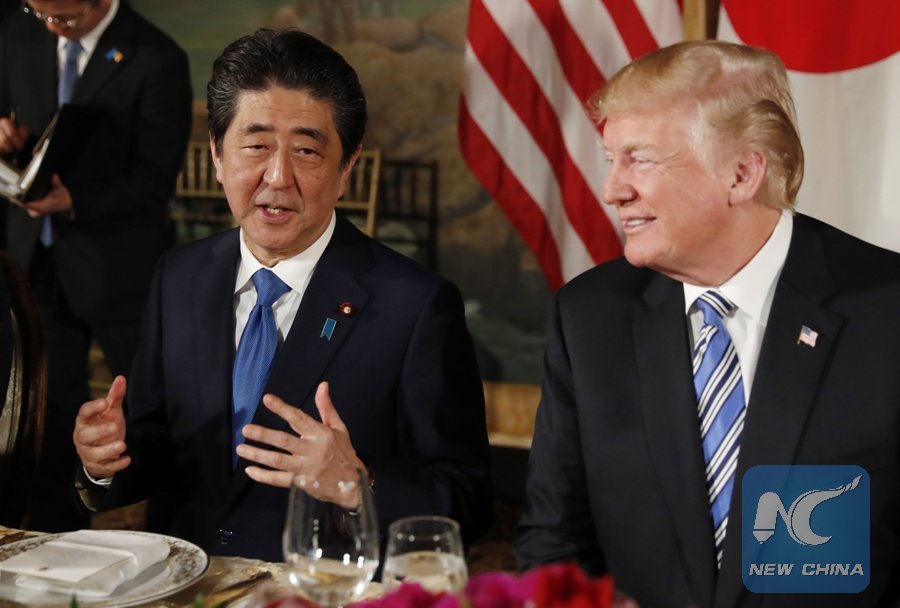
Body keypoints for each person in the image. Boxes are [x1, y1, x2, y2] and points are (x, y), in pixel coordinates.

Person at [73, 28, 492, 562]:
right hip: (187, 581)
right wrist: (105, 459)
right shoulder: (179, 275)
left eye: (306, 151)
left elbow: (468, 499)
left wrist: (355, 483)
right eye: (256, 146)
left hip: (321, 587)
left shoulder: (415, 306)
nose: (278, 176)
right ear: (217, 156)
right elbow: (158, 441)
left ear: (346, 169)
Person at [515, 40, 900, 607]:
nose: (613, 190)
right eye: (611, 159)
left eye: (641, 159)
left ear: (741, 173)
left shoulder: (886, 310)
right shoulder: (589, 317)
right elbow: (554, 543)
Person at [0, 0, 192, 531]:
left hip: (121, 269)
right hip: (36, 259)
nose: (53, 28)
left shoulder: (157, 57)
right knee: (50, 415)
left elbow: (155, 179)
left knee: (150, 410)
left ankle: (172, 535)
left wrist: (75, 201)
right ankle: (57, 537)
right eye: (41, 15)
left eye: (64, 18)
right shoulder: (20, 31)